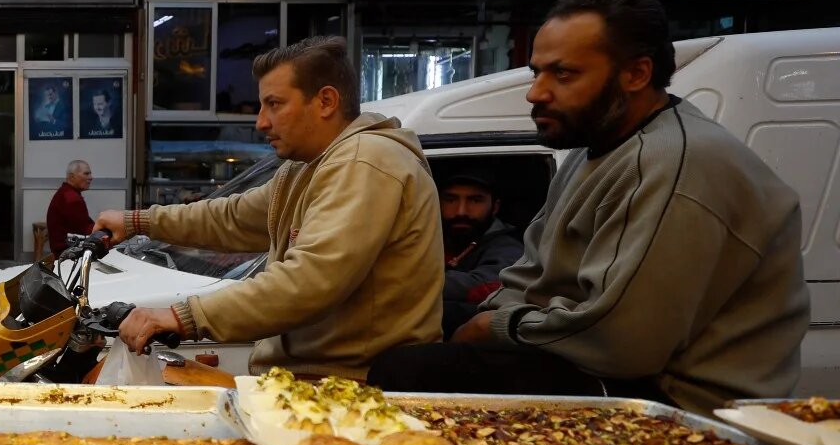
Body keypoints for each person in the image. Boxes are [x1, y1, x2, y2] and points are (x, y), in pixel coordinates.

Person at [371, 0, 808, 412]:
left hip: (672, 395)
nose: (536, 92)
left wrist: (493, 325)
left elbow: (624, 343)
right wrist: (481, 318)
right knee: (415, 321)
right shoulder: (592, 148)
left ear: (636, 74)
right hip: (590, 351)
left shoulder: (675, 163)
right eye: (536, 72)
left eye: (563, 74)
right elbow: (531, 271)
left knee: (408, 370)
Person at [96, 36, 443, 379]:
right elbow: (230, 218)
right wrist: (137, 221)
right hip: (307, 380)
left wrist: (181, 316)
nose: (261, 121)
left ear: (325, 101)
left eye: (274, 104)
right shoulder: (307, 167)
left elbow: (309, 281)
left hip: (346, 389)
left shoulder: (364, 161)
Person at [436, 169, 524, 339]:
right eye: (450, 200)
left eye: (475, 200)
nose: (461, 211)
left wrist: (413, 282)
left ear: (495, 207)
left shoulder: (507, 246)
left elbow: (485, 286)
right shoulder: (432, 237)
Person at [46, 160, 96, 257]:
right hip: (67, 252)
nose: (91, 178)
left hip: (63, 250)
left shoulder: (65, 193)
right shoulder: (71, 198)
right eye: (86, 174)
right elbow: (86, 229)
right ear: (72, 176)